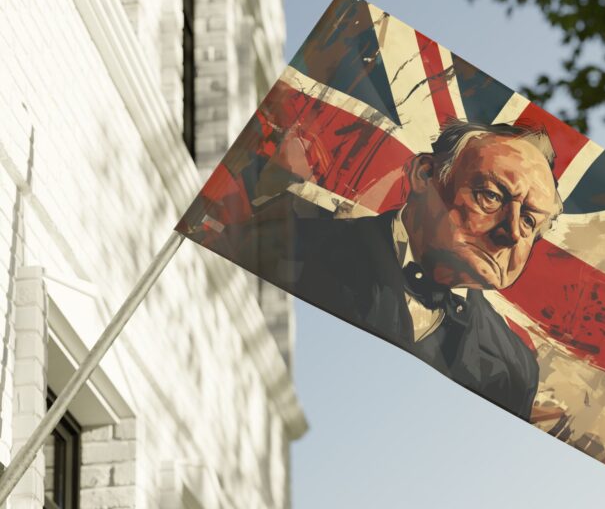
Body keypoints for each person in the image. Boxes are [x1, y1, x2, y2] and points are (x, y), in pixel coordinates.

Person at [216, 122, 563, 420]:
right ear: (424, 174)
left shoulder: (516, 370)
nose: (513, 231)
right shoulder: (285, 246)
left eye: (530, 221)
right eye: (491, 195)